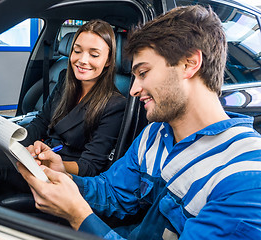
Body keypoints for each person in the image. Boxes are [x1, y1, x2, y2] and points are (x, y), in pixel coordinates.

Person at [17, 5, 261, 239]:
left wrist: (78, 216)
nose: (133, 89)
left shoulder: (243, 177)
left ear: (189, 64)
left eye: (143, 73)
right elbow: (113, 192)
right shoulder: (154, 136)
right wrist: (67, 179)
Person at [0, 19, 126, 200]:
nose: (83, 60)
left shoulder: (115, 105)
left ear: (108, 61)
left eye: (94, 55)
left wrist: (55, 163)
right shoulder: (65, 81)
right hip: (40, 153)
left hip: (61, 174)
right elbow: (42, 121)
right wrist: (11, 141)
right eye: (77, 51)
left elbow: (90, 167)